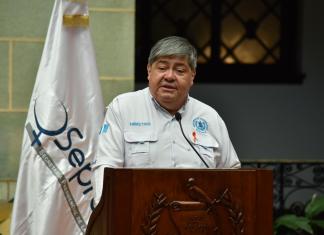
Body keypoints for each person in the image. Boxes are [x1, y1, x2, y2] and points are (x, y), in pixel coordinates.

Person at [92, 36, 240, 204]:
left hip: (198, 220)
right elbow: (106, 167)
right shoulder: (123, 107)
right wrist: (107, 213)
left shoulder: (209, 117)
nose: (169, 76)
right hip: (137, 217)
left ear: (192, 76)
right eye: (162, 67)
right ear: (149, 71)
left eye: (180, 70)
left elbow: (232, 173)